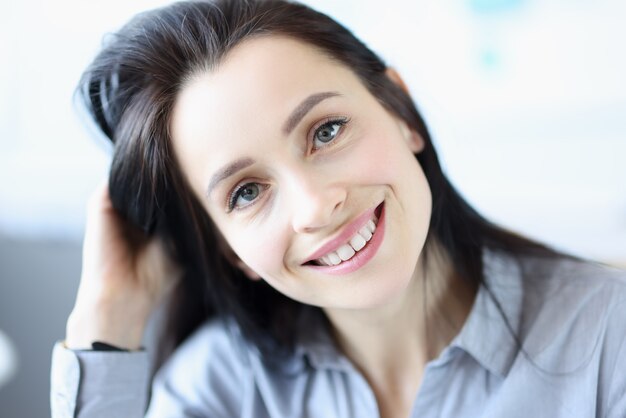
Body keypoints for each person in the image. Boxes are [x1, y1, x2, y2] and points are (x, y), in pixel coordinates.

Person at [50, 0, 626, 417]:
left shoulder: (608, 339)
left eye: (326, 131)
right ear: (230, 249)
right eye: (246, 192)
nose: (315, 206)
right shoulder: (215, 391)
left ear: (401, 111)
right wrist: (107, 321)